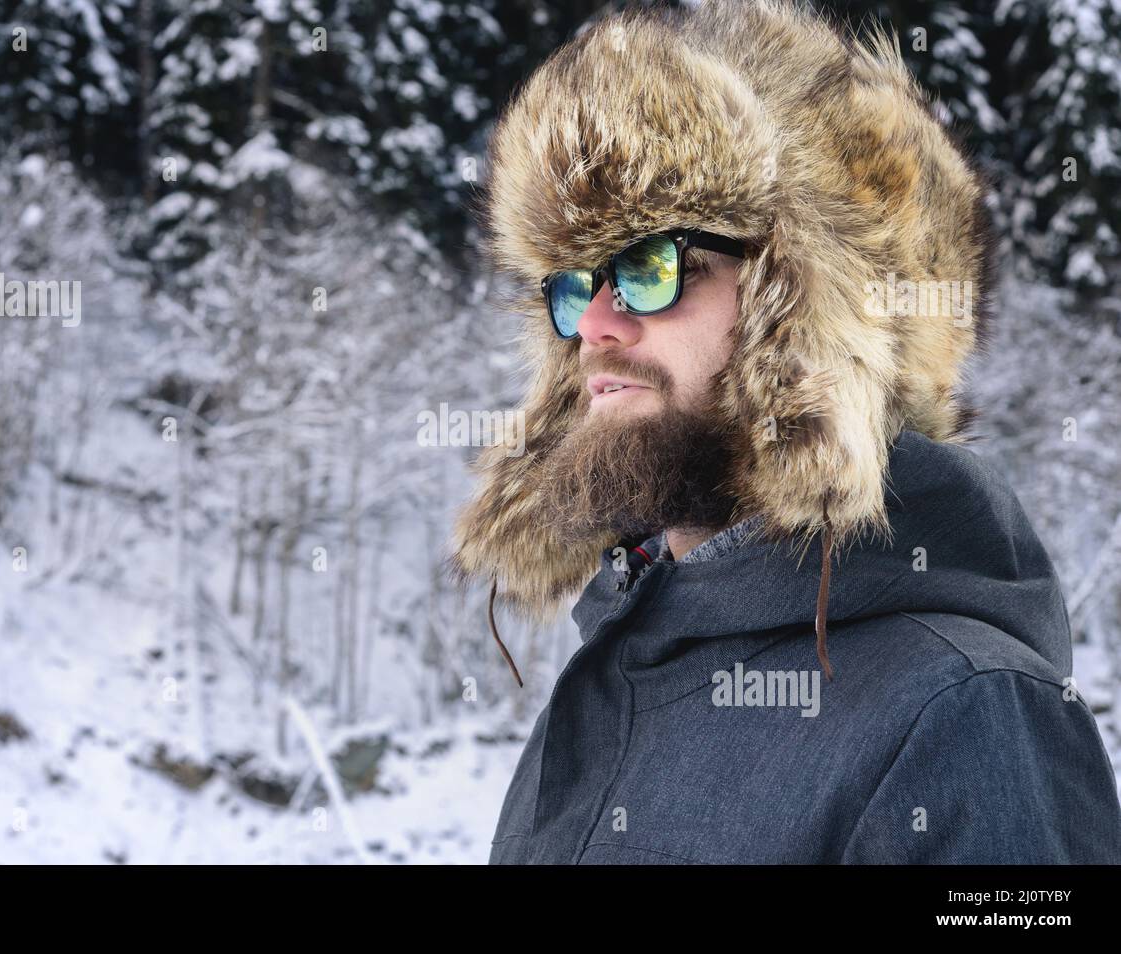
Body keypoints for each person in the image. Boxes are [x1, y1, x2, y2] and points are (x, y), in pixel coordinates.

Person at [450, 0, 1121, 864]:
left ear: (807, 314)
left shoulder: (968, 713)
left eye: (654, 267)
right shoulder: (610, 679)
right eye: (575, 286)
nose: (596, 328)